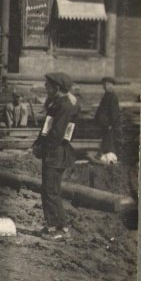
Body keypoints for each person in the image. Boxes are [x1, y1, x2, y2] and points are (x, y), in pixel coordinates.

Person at [36, 72, 79, 240]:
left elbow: (56, 134)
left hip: (56, 153)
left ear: (57, 87)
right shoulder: (58, 103)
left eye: (48, 85)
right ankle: (53, 225)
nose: (45, 87)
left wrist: (43, 148)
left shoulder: (64, 106)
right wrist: (38, 143)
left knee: (51, 190)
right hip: (53, 152)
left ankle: (61, 229)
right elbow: (47, 128)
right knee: (49, 189)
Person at [95, 76, 123, 163]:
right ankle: (103, 155)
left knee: (109, 141)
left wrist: (111, 124)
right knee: (105, 140)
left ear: (112, 85)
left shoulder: (113, 97)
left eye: (108, 84)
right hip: (104, 123)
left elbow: (114, 112)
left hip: (109, 124)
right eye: (104, 85)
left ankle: (110, 158)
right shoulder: (106, 95)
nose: (106, 86)